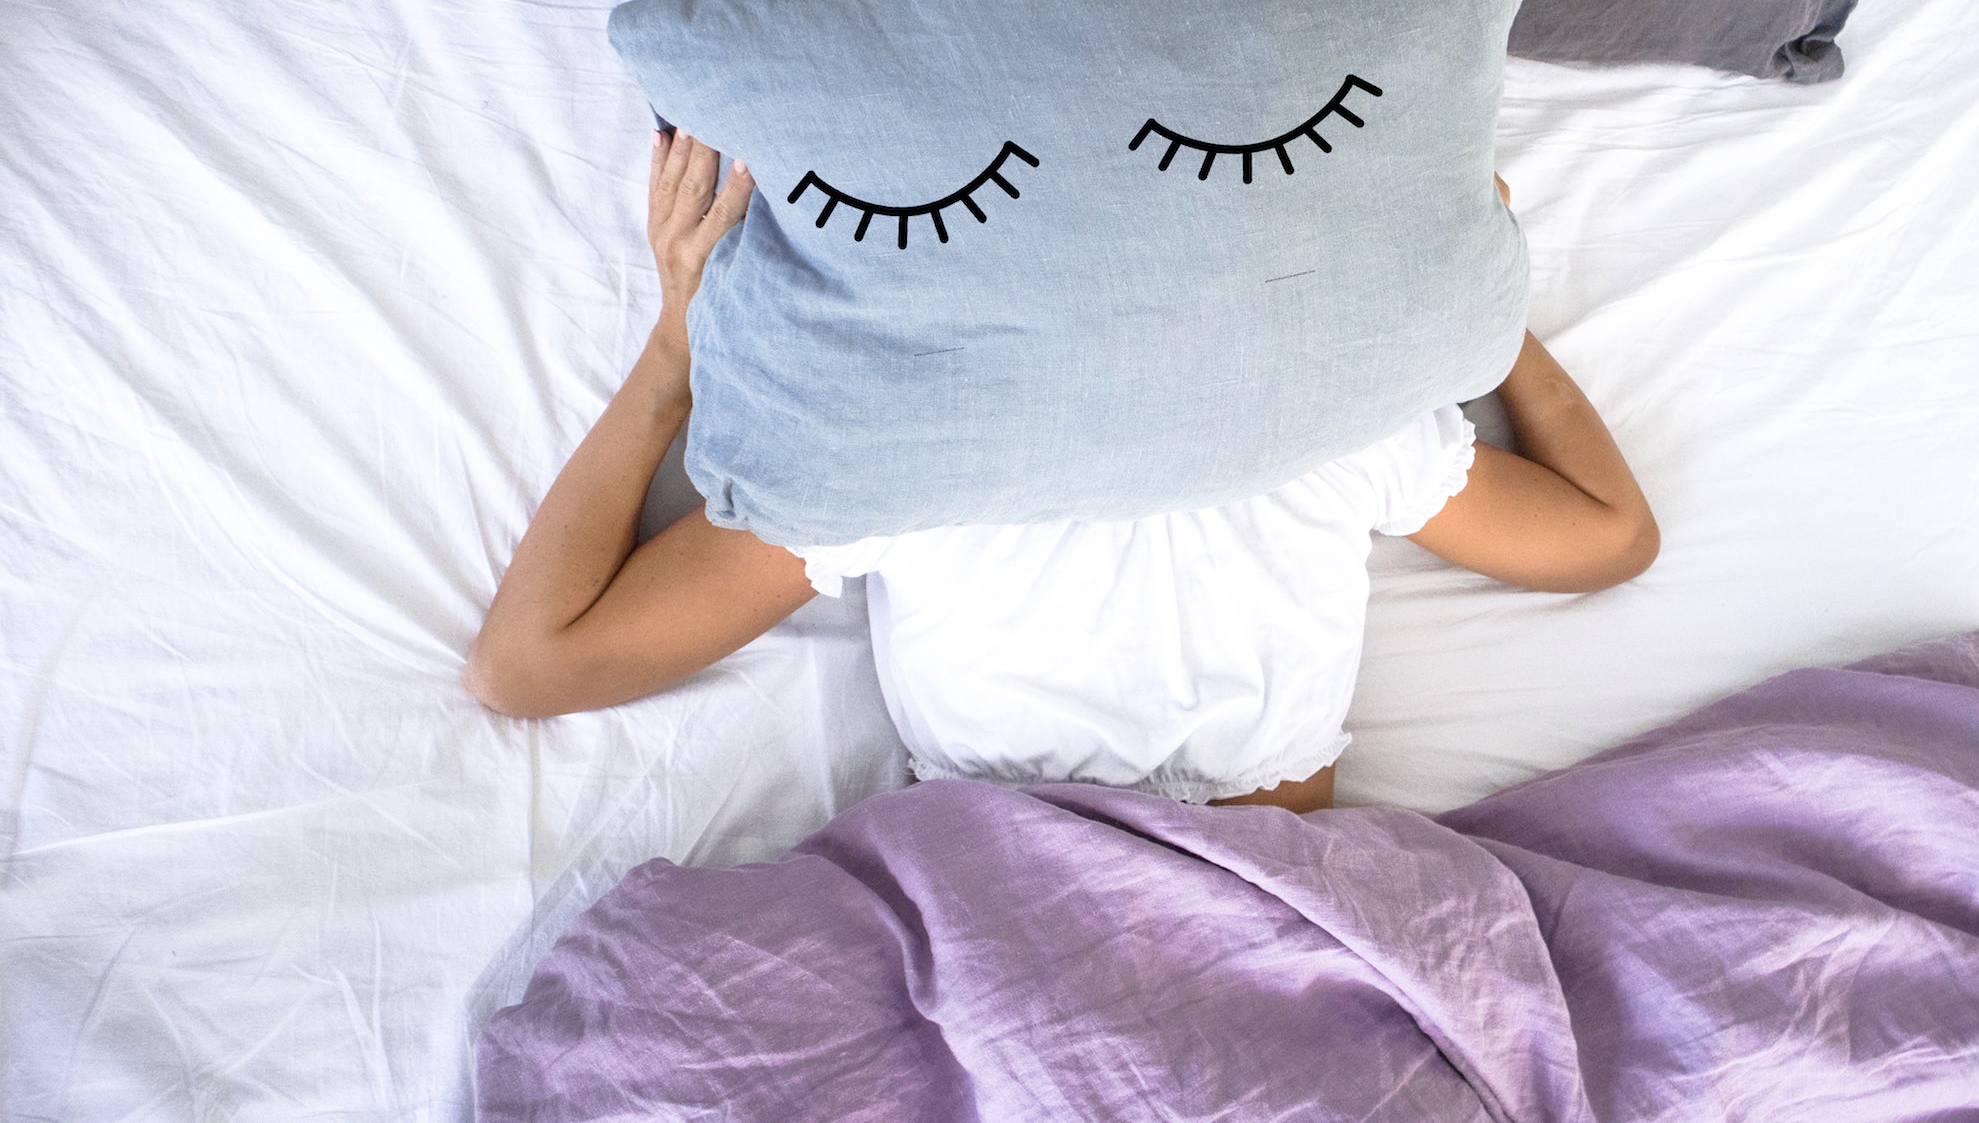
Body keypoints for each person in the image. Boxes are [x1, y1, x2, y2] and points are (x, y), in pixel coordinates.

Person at [463, 129, 1659, 815]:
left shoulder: (894, 446)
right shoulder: (1323, 414)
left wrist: (675, 358)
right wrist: (1486, 311)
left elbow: (532, 664)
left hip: (1231, 917)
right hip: (1081, 905)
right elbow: (1607, 537)